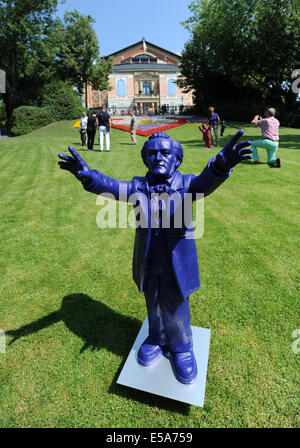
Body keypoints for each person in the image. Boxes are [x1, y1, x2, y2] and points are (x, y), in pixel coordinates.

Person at [58, 130, 252, 384]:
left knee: (175, 301)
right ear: (145, 159)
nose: (158, 157)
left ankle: (182, 346)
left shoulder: (187, 185)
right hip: (149, 256)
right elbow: (113, 186)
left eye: (165, 152)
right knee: (154, 297)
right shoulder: (138, 186)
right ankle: (157, 337)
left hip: (177, 259)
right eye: (152, 153)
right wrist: (89, 176)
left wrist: (221, 163)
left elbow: (206, 182)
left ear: (177, 160)